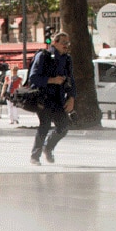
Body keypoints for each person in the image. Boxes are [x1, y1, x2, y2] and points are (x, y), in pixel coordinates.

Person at [28, 32, 76, 165]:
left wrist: (71, 98)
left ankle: (48, 148)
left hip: (59, 98)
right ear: (54, 43)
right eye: (63, 43)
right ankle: (35, 156)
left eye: (68, 43)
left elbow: (71, 80)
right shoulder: (44, 56)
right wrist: (52, 80)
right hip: (43, 98)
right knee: (45, 125)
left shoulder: (67, 59)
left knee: (63, 126)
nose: (66, 46)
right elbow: (33, 78)